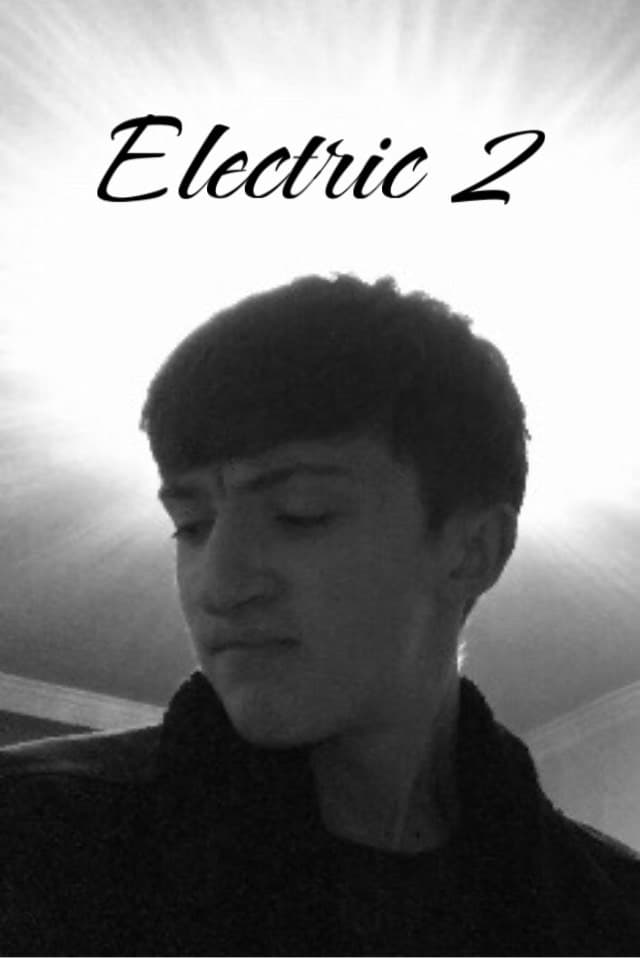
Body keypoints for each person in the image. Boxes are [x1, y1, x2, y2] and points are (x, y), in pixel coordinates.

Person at [0, 274, 638, 956]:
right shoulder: (31, 835)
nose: (219, 585)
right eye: (190, 525)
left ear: (471, 551)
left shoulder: (613, 911)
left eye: (300, 514)